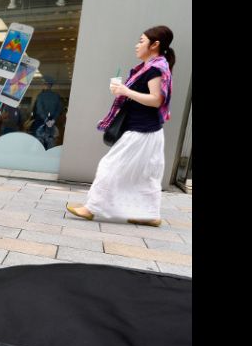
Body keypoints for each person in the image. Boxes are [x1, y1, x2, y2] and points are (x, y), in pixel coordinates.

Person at [67, 25, 175, 227]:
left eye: (141, 41)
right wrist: (123, 92)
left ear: (155, 45)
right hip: (148, 131)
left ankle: (92, 208)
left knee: (110, 166)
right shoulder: (151, 67)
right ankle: (150, 215)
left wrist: (126, 91)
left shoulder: (155, 69)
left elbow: (156, 100)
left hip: (142, 132)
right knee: (146, 174)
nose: (137, 45)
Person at [29, 77, 62, 148]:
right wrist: (53, 120)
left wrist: (46, 120)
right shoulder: (56, 96)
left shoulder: (40, 96)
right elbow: (59, 109)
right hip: (52, 124)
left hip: (40, 123)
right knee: (50, 145)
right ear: (51, 85)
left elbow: (39, 110)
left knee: (39, 146)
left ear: (45, 85)